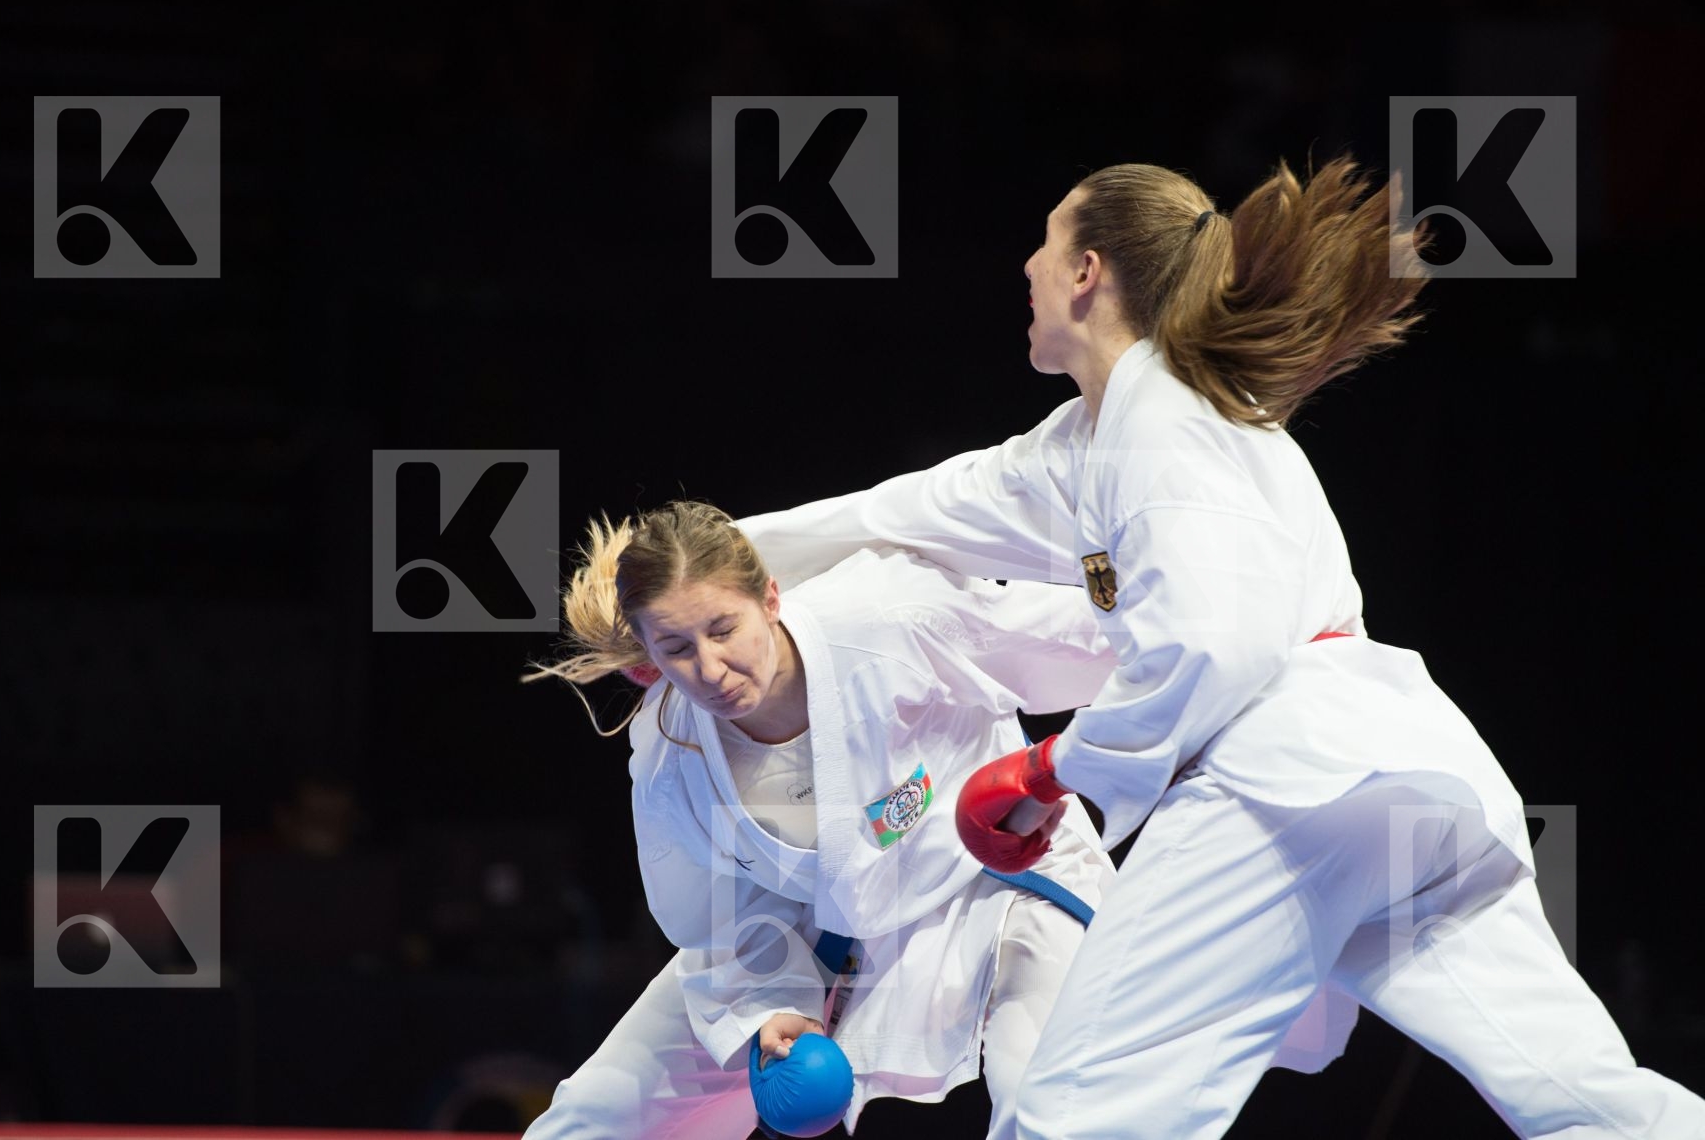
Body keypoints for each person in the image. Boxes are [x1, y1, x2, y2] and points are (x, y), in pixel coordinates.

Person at [738, 156, 1705, 1139]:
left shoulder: (1163, 417)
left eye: (1045, 240)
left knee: (1073, 1121)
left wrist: (1051, 767)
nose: (1025, 265)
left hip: (1286, 788)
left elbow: (1212, 647)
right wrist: (705, 577)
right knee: (1585, 1100)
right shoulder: (1097, 440)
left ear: (1087, 271)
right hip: (1408, 785)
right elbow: (902, 514)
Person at [521, 502, 1131, 1139]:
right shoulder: (670, 754)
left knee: (1055, 1104)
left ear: (770, 599)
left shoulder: (887, 616)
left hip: (995, 871)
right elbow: (722, 916)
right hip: (824, 924)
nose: (710, 669)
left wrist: (1180, 634)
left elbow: (1097, 645)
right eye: (676, 649)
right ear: (647, 654)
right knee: (594, 1119)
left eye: (724, 629)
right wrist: (773, 1004)